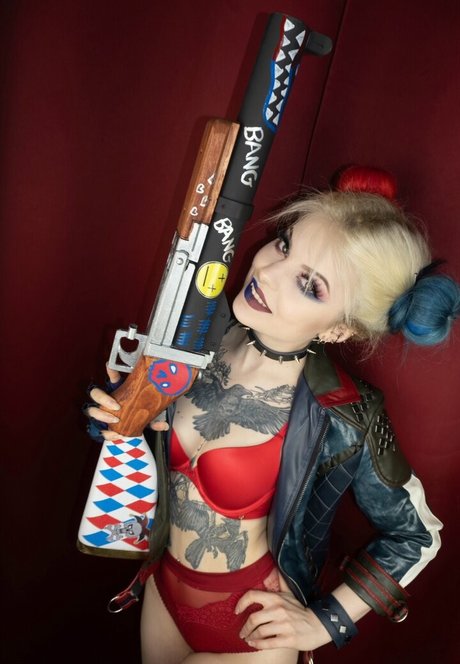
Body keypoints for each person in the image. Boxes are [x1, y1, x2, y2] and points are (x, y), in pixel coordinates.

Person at [85, 166, 459, 663]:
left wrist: (325, 623)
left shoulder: (346, 412)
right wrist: (119, 417)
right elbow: (144, 445)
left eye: (309, 284)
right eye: (284, 244)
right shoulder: (198, 332)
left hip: (251, 630)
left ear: (339, 330)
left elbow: (418, 534)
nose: (266, 272)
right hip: (161, 590)